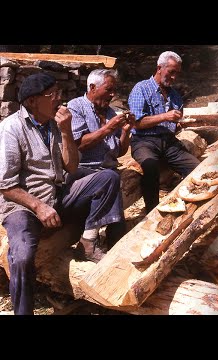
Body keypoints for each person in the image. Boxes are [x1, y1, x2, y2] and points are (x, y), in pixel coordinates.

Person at [0, 73, 124, 315]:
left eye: (59, 93)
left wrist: (66, 131)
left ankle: (88, 242)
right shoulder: (10, 129)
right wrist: (38, 207)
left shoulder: (53, 124)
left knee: (108, 178)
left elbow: (71, 167)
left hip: (56, 195)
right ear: (33, 101)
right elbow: (5, 185)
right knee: (22, 256)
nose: (60, 99)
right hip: (23, 206)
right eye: (53, 95)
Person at [68, 69, 135, 248]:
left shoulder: (111, 113)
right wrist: (108, 128)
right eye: (109, 90)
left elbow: (119, 152)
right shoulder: (76, 106)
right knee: (110, 180)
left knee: (118, 232)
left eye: (114, 90)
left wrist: (126, 131)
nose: (112, 95)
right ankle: (89, 242)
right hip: (84, 172)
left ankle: (106, 242)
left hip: (108, 172)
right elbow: (79, 144)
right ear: (92, 87)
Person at [128, 51, 200, 213]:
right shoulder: (141, 89)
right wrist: (165, 116)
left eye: (177, 73)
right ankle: (152, 210)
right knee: (150, 166)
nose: (174, 77)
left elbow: (173, 123)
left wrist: (178, 123)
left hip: (168, 142)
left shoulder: (175, 95)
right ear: (159, 68)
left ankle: (186, 202)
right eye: (171, 72)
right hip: (144, 141)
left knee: (196, 168)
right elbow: (137, 122)